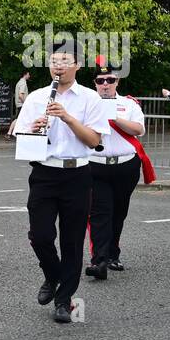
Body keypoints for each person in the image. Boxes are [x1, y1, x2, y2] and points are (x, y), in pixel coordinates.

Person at [13, 44, 108, 323]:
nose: (58, 66)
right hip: (44, 172)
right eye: (54, 61)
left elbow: (94, 141)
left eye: (65, 61)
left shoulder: (90, 98)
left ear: (77, 65)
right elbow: (22, 135)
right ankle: (52, 275)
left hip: (77, 174)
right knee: (40, 236)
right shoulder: (36, 97)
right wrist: (34, 129)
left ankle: (64, 300)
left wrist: (66, 116)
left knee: (72, 239)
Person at [86, 69, 149, 280]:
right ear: (95, 83)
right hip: (96, 166)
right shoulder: (87, 103)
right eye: (100, 80)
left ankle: (113, 254)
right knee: (100, 213)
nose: (105, 84)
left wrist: (115, 118)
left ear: (117, 82)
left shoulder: (129, 104)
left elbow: (139, 129)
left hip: (125, 166)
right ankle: (99, 260)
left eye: (110, 80)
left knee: (118, 212)